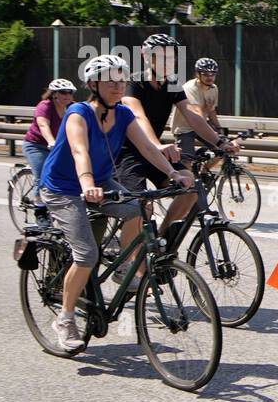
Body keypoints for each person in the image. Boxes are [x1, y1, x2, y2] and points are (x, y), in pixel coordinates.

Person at [38, 53, 194, 353]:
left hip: (102, 180)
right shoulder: (77, 113)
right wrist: (87, 184)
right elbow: (79, 151)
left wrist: (173, 173)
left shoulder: (122, 114)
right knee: (85, 255)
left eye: (122, 80)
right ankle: (66, 318)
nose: (118, 86)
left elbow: (147, 147)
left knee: (138, 207)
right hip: (65, 187)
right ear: (93, 84)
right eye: (110, 80)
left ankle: (124, 270)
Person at [115, 34, 238, 238]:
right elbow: (138, 116)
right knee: (142, 207)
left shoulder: (172, 83)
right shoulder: (134, 82)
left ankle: (162, 240)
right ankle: (129, 263)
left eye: (171, 57)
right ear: (147, 57)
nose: (167, 62)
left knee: (190, 185)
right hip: (126, 152)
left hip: (153, 152)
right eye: (161, 57)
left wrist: (219, 141)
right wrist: (158, 145)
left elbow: (192, 115)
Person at [171, 57, 224, 175]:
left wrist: (219, 130)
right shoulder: (190, 87)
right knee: (186, 163)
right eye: (205, 74)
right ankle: (186, 185)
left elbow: (211, 111)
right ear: (197, 74)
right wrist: (211, 132)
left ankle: (203, 172)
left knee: (222, 150)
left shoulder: (214, 89)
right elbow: (197, 112)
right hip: (184, 128)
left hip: (202, 124)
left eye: (213, 74)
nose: (210, 77)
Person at [21, 79, 77, 189]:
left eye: (70, 92)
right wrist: (51, 141)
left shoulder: (72, 107)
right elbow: (43, 125)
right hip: (36, 146)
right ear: (54, 94)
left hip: (57, 147)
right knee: (43, 174)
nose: (67, 95)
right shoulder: (45, 106)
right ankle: (38, 202)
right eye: (63, 92)